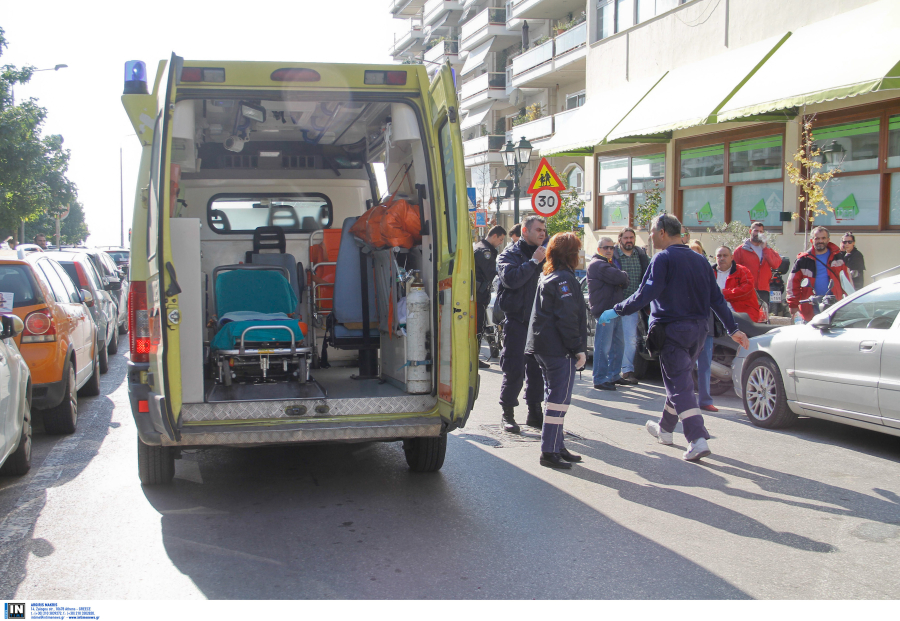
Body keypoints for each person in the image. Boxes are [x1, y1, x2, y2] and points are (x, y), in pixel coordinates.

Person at [599, 214, 749, 461]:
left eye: (651, 231)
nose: (649, 236)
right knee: (678, 380)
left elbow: (645, 293)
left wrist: (616, 310)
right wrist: (733, 329)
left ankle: (697, 439)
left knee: (679, 384)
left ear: (662, 232)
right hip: (698, 331)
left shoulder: (663, 258)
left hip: (672, 330)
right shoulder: (701, 260)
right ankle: (665, 430)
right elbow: (716, 298)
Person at [525, 232, 587, 470]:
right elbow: (567, 318)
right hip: (559, 349)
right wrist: (578, 348)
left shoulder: (550, 276)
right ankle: (549, 450)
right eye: (577, 251)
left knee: (554, 399)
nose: (579, 255)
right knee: (558, 402)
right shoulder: (564, 280)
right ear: (570, 254)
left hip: (545, 347)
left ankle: (557, 446)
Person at [496, 215, 547, 432]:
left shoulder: (547, 254)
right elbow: (511, 279)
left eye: (544, 230)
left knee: (537, 371)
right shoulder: (509, 255)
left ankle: (535, 412)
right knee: (514, 369)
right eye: (538, 230)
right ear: (525, 231)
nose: (542, 233)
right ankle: (507, 413)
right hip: (518, 320)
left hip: (540, 323)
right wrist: (533, 262)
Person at [587, 237, 628, 391]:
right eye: (606, 248)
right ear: (599, 249)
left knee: (618, 345)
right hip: (604, 312)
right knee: (603, 347)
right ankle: (600, 379)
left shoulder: (609, 264)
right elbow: (621, 277)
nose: (609, 250)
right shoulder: (598, 264)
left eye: (612, 248)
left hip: (614, 310)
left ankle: (613, 376)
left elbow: (625, 280)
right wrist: (621, 276)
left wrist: (621, 277)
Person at [788, 226, 852, 322]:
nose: (820, 241)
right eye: (817, 238)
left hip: (834, 304)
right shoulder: (803, 260)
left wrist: (850, 299)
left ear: (828, 240)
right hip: (811, 305)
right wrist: (793, 304)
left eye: (823, 238)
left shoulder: (838, 257)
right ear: (811, 240)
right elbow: (792, 283)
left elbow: (847, 281)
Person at [613, 228, 649, 385]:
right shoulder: (614, 256)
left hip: (633, 305)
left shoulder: (640, 255)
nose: (629, 240)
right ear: (620, 239)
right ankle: (612, 373)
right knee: (613, 340)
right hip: (614, 304)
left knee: (631, 339)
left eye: (631, 237)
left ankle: (627, 371)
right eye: (626, 237)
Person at [474, 225, 506, 369]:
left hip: (479, 295)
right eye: (500, 239)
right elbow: (491, 273)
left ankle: (474, 358)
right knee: (478, 329)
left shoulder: (480, 247)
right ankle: (474, 359)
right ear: (494, 236)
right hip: (479, 296)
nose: (501, 242)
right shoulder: (485, 251)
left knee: (479, 327)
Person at [732, 222, 781, 308]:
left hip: (763, 290)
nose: (758, 233)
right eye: (756, 231)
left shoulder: (768, 249)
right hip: (746, 289)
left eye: (761, 231)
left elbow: (775, 264)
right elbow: (733, 270)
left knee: (762, 314)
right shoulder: (740, 250)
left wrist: (765, 249)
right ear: (750, 231)